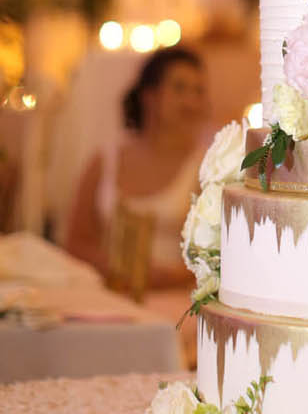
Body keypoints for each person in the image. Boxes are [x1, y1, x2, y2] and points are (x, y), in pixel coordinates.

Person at [65, 46, 210, 296]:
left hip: (175, 298)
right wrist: (119, 268)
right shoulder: (105, 161)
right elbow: (76, 241)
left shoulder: (207, 168)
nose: (191, 101)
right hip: (108, 292)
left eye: (198, 91)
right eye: (180, 89)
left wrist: (172, 275)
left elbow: (219, 254)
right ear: (149, 95)